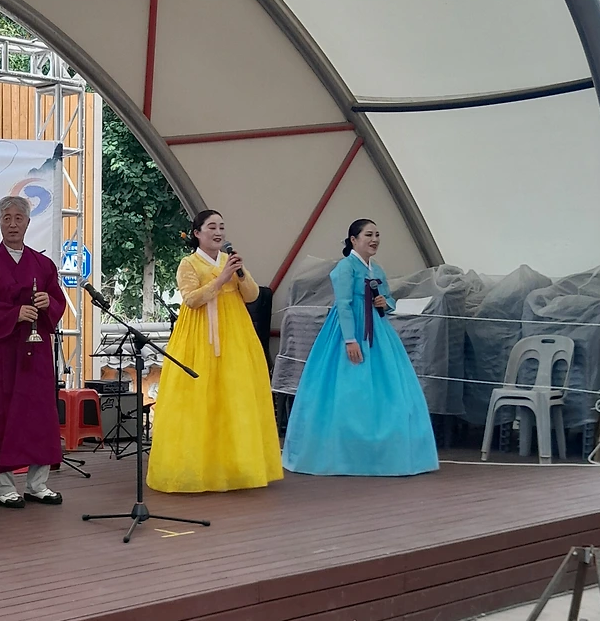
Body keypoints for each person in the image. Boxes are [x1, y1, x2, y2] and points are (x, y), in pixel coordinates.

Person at [282, 218, 438, 476]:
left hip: (378, 331)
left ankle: (381, 452)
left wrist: (384, 302)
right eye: (368, 235)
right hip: (349, 329)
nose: (374, 240)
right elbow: (343, 304)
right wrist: (350, 339)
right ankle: (343, 453)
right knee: (347, 389)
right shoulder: (345, 268)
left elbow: (389, 300)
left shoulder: (376, 269)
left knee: (387, 388)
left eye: (377, 235)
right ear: (354, 240)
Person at [145, 207, 283, 493]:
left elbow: (253, 296)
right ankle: (198, 468)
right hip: (199, 336)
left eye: (221, 227)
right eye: (212, 227)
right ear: (197, 233)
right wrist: (221, 279)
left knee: (235, 397)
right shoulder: (189, 264)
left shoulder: (230, 261)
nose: (218, 232)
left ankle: (236, 467)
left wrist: (240, 274)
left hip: (235, 334)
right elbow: (191, 299)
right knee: (199, 398)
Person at [0, 195, 65, 508]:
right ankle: (4, 487)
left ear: (28, 223)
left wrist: (48, 303)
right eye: (7, 219)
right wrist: (13, 314)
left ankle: (38, 484)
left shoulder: (43, 265)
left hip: (33, 354)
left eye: (19, 218)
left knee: (38, 415)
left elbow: (57, 302)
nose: (13, 224)